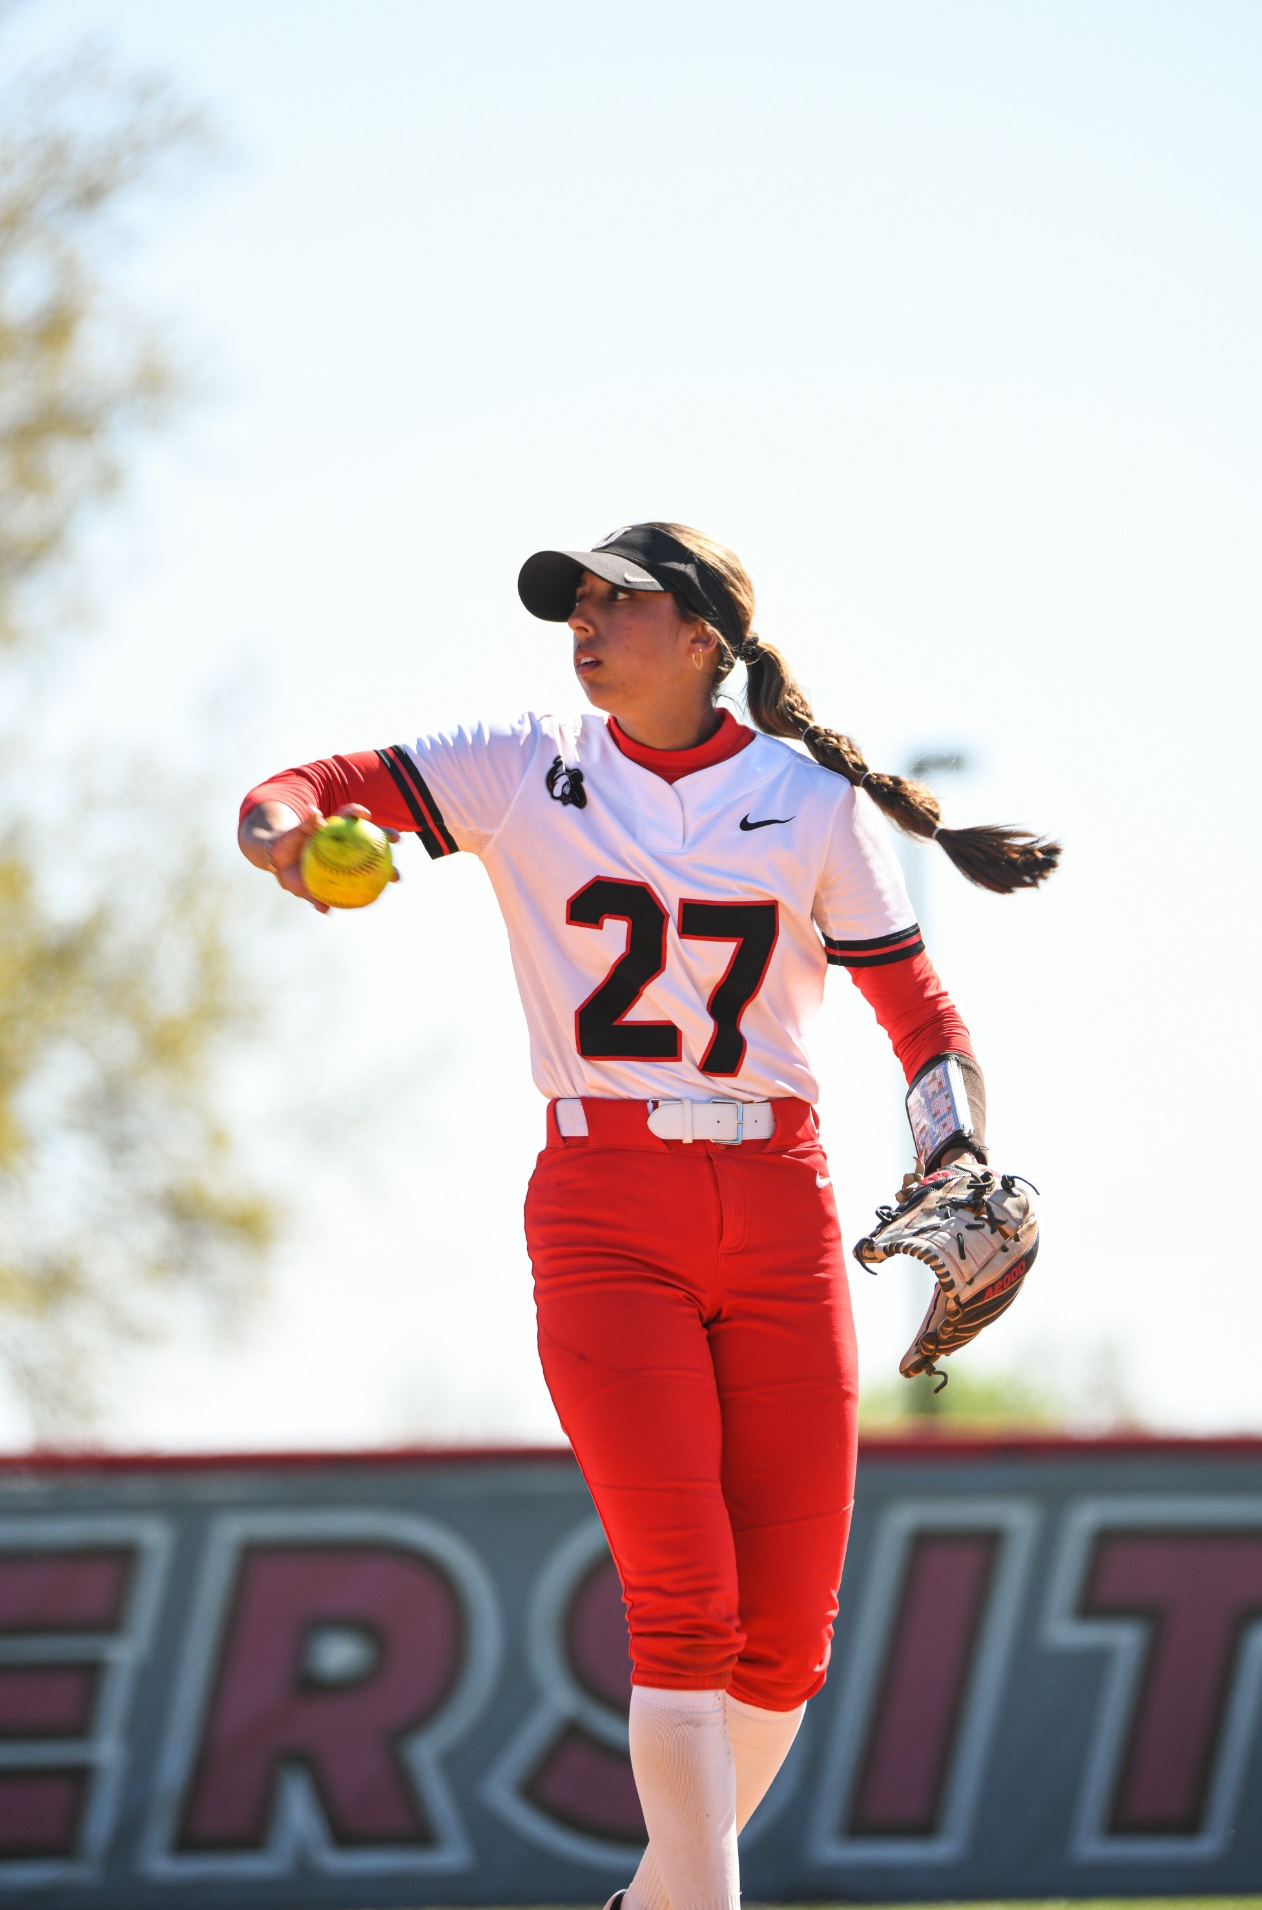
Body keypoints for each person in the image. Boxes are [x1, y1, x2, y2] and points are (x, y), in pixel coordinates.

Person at [237, 522, 1058, 1910]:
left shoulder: (805, 803)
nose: (583, 623)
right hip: (605, 1201)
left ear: (702, 636)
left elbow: (919, 1020)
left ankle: (653, 1901)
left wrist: (954, 1144)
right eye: (576, 604)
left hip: (780, 1201)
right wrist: (276, 837)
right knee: (684, 1609)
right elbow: (301, 787)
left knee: (785, 1637)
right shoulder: (519, 762)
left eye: (616, 600)